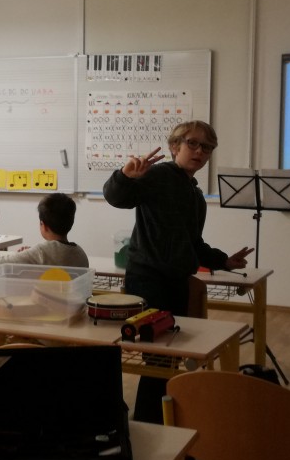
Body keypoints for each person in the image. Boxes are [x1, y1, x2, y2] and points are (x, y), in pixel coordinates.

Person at [103, 120, 252, 423]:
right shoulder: (158, 175)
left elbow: (193, 243)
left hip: (176, 281)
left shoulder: (194, 195)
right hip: (148, 280)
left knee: (168, 358)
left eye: (206, 147)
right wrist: (123, 176)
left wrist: (224, 261)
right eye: (192, 144)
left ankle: (163, 423)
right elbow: (117, 197)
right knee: (159, 358)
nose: (200, 152)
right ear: (175, 146)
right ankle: (150, 424)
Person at [0, 193, 89, 268]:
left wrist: (21, 255)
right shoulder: (81, 254)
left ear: (43, 225)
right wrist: (30, 254)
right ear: (71, 223)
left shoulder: (40, 252)